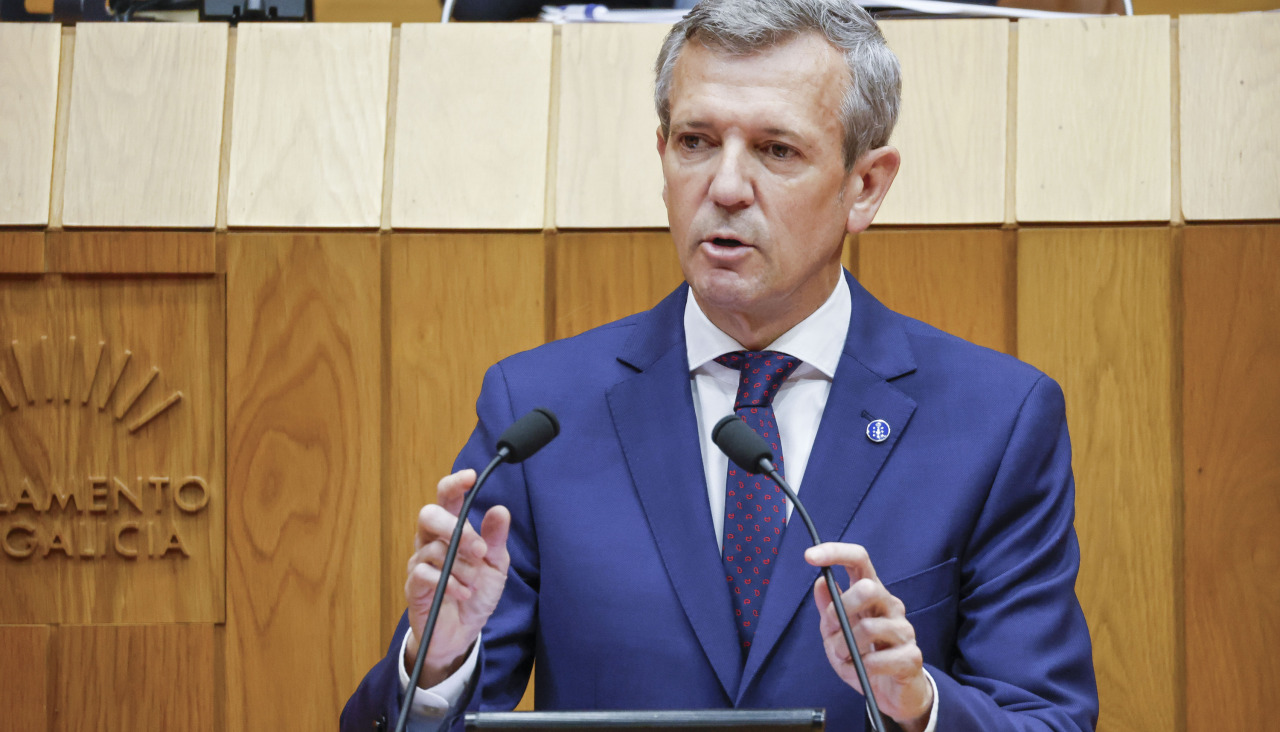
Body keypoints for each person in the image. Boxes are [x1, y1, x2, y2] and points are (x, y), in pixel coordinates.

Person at [343, 1, 1098, 730]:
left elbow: (1047, 719)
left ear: (864, 185)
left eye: (777, 150)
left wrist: (919, 706)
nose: (726, 188)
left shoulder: (994, 421)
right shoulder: (540, 413)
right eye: (696, 141)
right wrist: (437, 665)